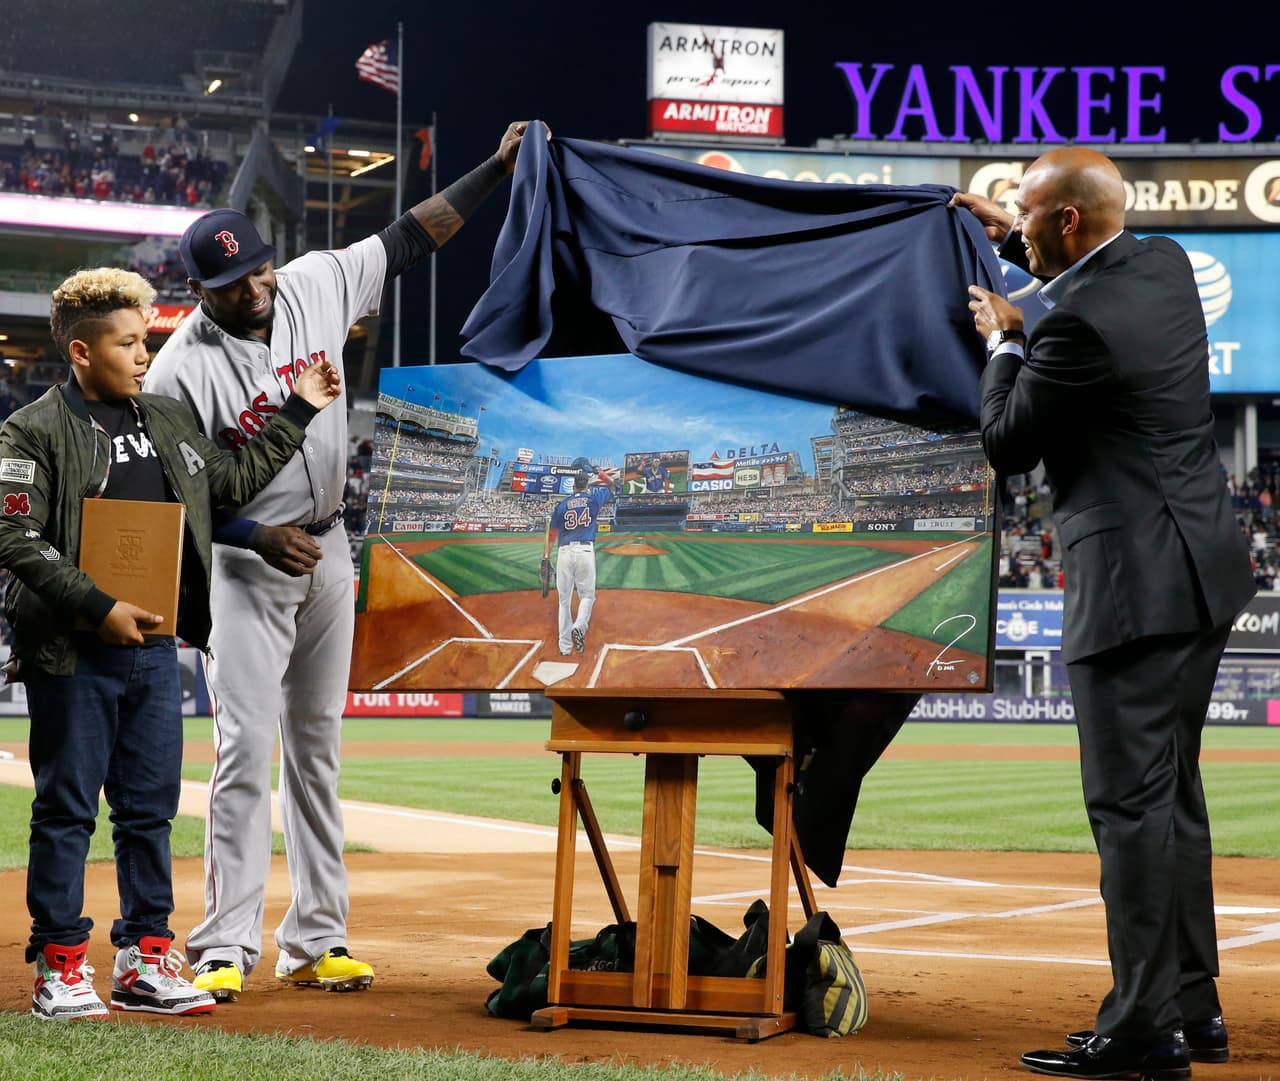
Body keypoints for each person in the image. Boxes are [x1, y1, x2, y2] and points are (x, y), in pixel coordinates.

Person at [143, 121, 537, 1002]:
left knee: (317, 751)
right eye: (235, 279)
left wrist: (495, 169)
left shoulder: (315, 281)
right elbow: (178, 498)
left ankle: (316, 939)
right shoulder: (179, 370)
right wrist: (250, 537)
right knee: (246, 751)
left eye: (260, 266)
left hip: (330, 547)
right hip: (246, 567)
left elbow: (411, 234)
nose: (257, 283)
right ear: (202, 289)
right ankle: (222, 943)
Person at [953, 148, 1255, 1080]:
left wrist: (1006, 339)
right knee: (1174, 801)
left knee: (1128, 809)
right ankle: (1193, 1006)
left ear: (1069, 223)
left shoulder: (1071, 328)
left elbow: (1006, 444)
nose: (1019, 222)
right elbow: (1082, 275)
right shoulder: (1160, 262)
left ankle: (1140, 1029)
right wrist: (1012, 249)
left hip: (1133, 587)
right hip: (1204, 569)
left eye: (1028, 213)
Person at [0, 268, 340, 1020]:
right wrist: (99, 603)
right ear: (82, 352)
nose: (144, 353)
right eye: (127, 342)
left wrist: (299, 408)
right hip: (74, 651)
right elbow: (12, 536)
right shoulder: (30, 430)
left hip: (155, 649)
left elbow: (233, 480)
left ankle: (145, 956)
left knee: (149, 810)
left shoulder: (164, 417)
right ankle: (59, 963)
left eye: (146, 338)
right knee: (65, 810)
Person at [549, 468, 614, 655]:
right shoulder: (593, 499)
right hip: (585, 550)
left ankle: (565, 647)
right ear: (587, 485)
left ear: (573, 486)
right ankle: (579, 626)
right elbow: (613, 485)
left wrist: (546, 556)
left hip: (564, 552)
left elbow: (552, 533)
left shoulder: (561, 506)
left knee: (564, 601)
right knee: (587, 596)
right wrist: (600, 473)